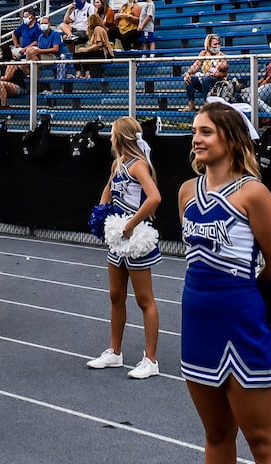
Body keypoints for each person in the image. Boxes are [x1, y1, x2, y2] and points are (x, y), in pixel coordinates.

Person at [180, 102, 271, 463]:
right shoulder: (186, 192)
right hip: (197, 322)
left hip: (240, 322)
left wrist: (242, 296)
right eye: (194, 131)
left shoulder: (253, 193)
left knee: (262, 441)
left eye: (206, 132)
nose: (196, 139)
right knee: (216, 435)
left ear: (231, 138)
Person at [86, 116, 161, 379]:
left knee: (144, 299)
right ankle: (115, 352)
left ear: (120, 137)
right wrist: (101, 215)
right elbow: (107, 191)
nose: (110, 138)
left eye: (112, 134)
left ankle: (150, 360)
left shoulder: (138, 165)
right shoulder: (118, 164)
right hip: (118, 238)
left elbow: (155, 198)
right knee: (116, 295)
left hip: (136, 237)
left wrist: (131, 224)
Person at [183, 35, 229, 111]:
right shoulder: (203, 53)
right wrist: (187, 73)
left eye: (218, 44)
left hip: (217, 82)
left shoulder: (221, 55)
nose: (217, 46)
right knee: (190, 79)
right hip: (205, 80)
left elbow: (224, 74)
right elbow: (195, 65)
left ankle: (206, 105)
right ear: (208, 45)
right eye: (215, 44)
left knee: (206, 79)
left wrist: (215, 74)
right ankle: (191, 105)